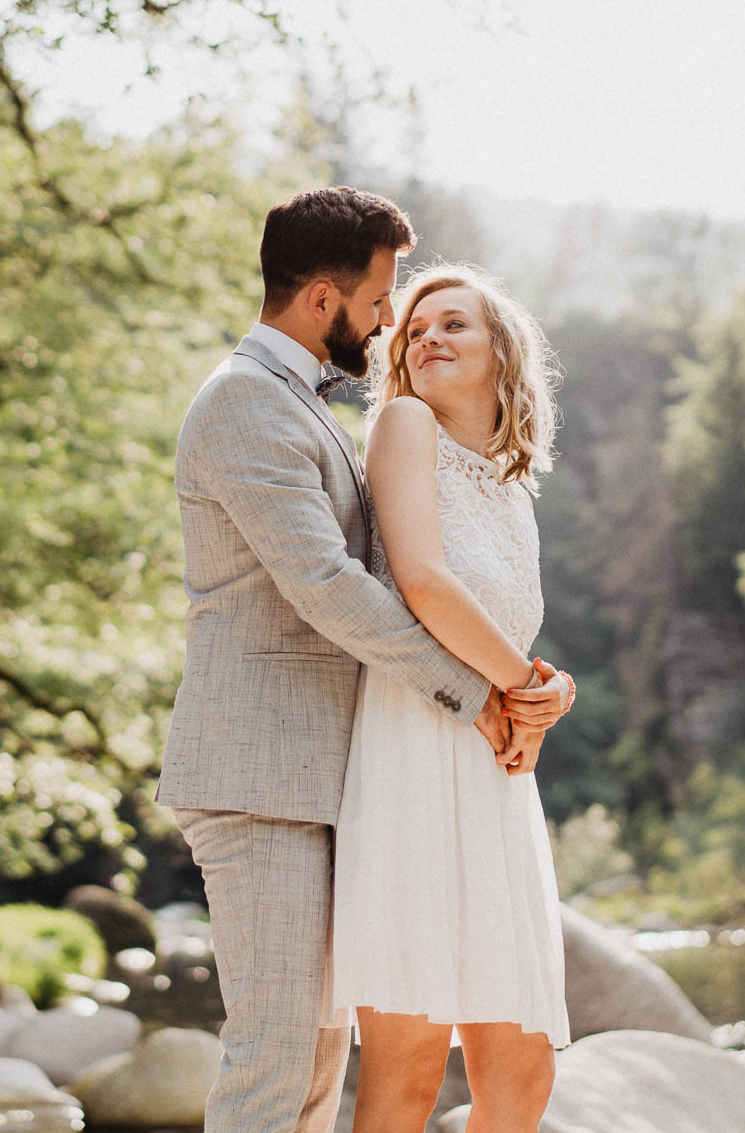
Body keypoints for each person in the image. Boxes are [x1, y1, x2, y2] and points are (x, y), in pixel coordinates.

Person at [157, 188, 573, 1133]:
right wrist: (482, 693)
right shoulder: (242, 405)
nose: (390, 321)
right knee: (277, 1061)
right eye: (384, 298)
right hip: (263, 773)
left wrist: (524, 686)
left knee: (310, 1066)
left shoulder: (306, 407)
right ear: (320, 299)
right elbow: (331, 585)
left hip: (330, 767)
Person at [332, 264, 572, 1133]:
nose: (427, 335)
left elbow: (498, 626)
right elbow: (426, 587)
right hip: (415, 755)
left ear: (502, 352)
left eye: (454, 324)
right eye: (416, 326)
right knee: (407, 1070)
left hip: (495, 775)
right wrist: (524, 687)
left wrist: (544, 684)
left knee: (522, 1075)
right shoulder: (404, 425)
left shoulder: (511, 487)